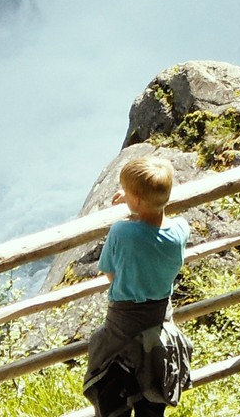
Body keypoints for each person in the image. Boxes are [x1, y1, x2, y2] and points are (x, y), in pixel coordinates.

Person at [83, 157, 193, 417]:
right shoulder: (180, 229)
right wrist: (137, 203)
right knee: (152, 397)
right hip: (161, 320)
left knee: (112, 392)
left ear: (138, 200)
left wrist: (132, 210)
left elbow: (110, 272)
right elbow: (154, 224)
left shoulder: (122, 232)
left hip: (123, 324)